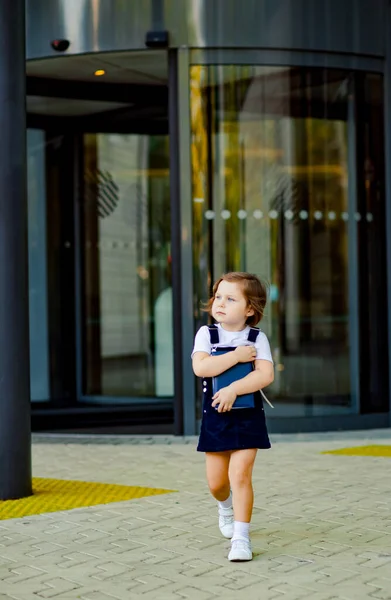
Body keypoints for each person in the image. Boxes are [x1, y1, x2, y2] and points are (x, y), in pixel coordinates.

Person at [192, 272, 274, 562]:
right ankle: (224, 507)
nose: (220, 303)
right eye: (218, 297)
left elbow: (265, 374)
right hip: (215, 418)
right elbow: (201, 367)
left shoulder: (256, 338)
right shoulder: (207, 334)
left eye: (230, 298)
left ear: (249, 308)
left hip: (247, 416)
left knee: (240, 475)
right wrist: (237, 357)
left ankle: (241, 538)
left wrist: (233, 389)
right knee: (217, 483)